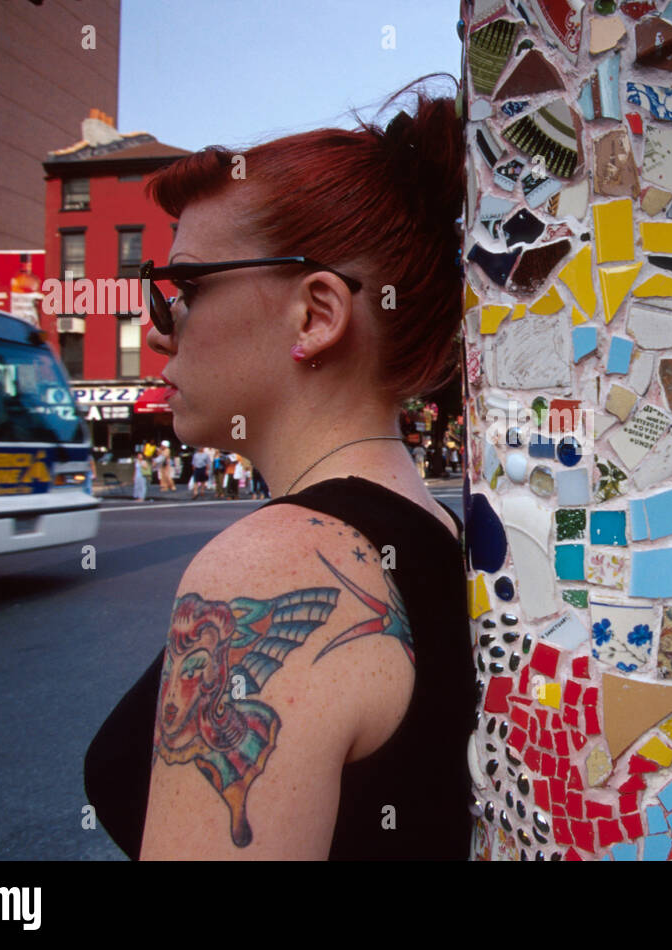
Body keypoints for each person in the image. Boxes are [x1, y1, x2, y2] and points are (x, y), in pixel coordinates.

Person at [84, 77, 473, 861]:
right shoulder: (438, 534)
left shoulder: (272, 564)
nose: (160, 334)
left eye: (180, 290)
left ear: (316, 314)